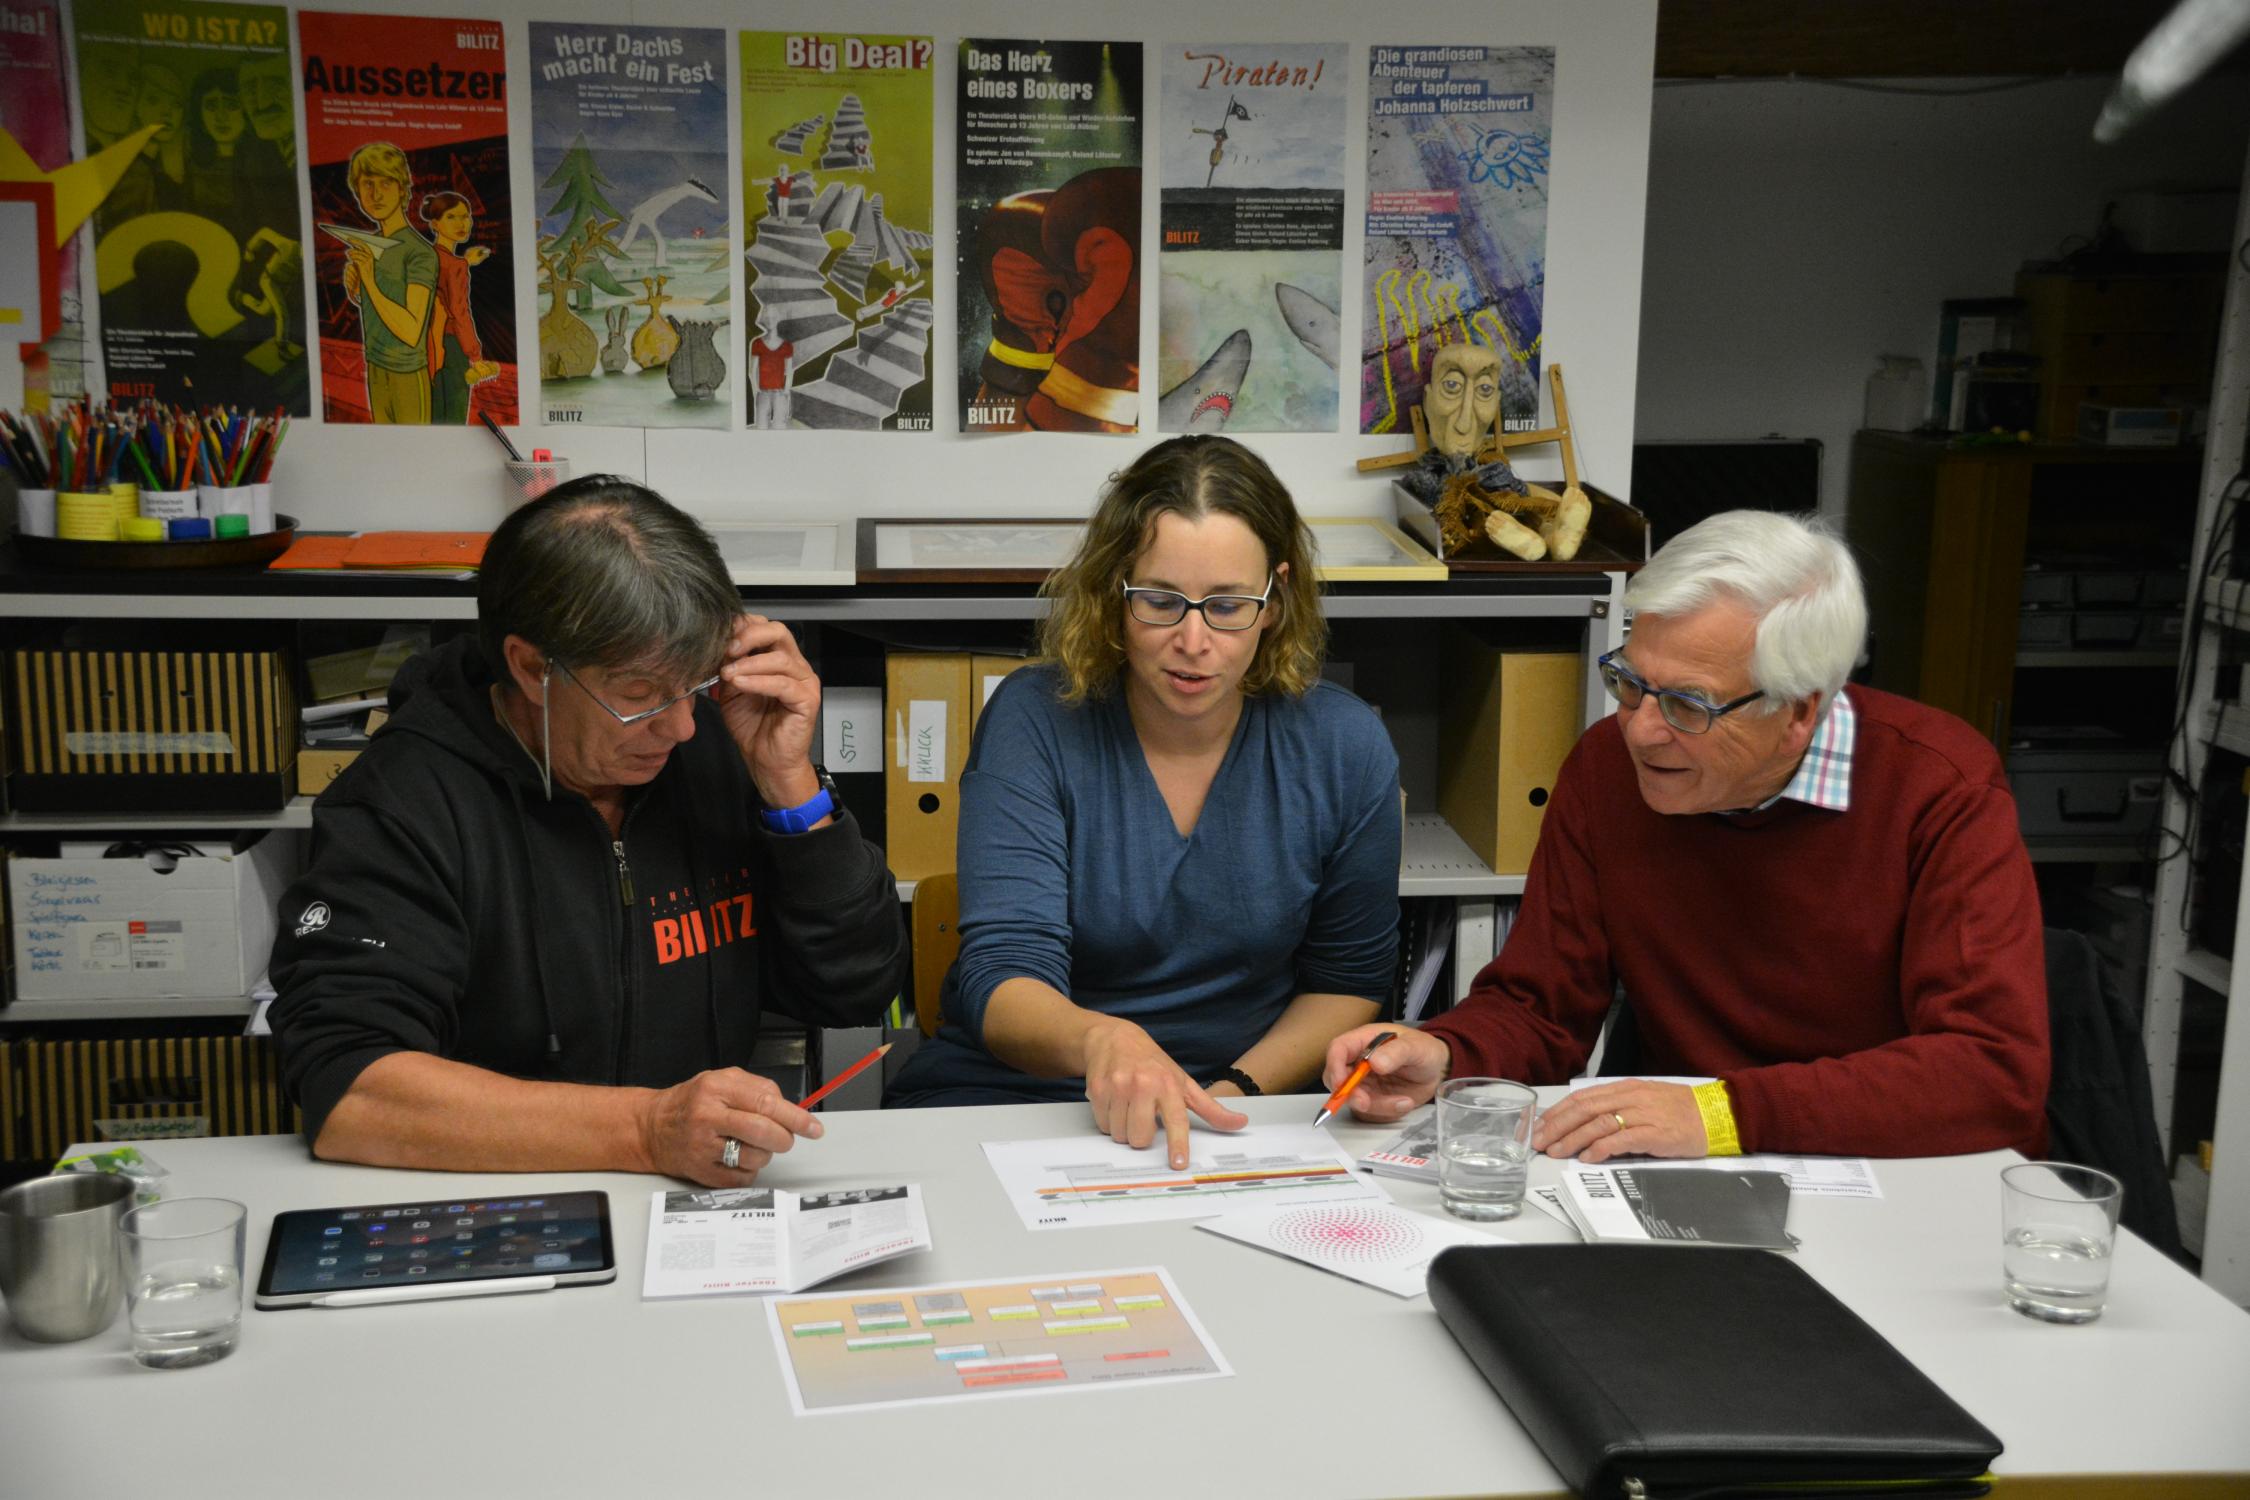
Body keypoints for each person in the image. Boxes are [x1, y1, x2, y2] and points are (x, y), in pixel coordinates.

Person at [1323, 510, 2049, 1161]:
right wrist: (1446, 1053)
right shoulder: (1609, 771)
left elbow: (1990, 1073)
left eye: (1688, 705)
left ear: (1799, 713)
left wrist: (1723, 1113)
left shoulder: (1939, 789)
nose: (1639, 731)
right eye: (1631, 683)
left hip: (1891, 1171)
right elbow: (1541, 1006)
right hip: (1690, 1170)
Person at [269, 477, 909, 1188]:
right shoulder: (406, 801)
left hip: (690, 1202)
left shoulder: (717, 752)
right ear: (532, 666)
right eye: (640, 696)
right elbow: (353, 1092)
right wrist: (643, 1131)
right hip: (488, 1196)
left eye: (694, 685)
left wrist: (790, 786)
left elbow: (855, 988)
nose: (681, 727)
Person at [886, 435, 1403, 1169]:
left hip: (1241, 1108)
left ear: (1276, 599)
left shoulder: (1345, 746)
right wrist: (1104, 1041)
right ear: (1112, 590)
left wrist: (1235, 1089)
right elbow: (1003, 975)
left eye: (1228, 607)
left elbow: (1348, 984)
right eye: (1160, 602)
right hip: (1026, 1097)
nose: (1193, 640)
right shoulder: (1036, 720)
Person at [339, 142, 436, 424]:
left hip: (406, 373)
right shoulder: (371, 246)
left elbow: (409, 330)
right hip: (375, 365)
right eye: (367, 184)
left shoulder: (418, 252)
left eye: (386, 182)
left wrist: (368, 280)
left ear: (402, 188)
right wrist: (357, 292)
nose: (376, 194)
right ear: (357, 192)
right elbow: (384, 308)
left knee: (415, 458)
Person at [418, 191, 499, 425]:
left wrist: (465, 262)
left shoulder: (428, 257)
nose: (462, 223)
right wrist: (475, 355)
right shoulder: (454, 266)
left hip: (427, 344)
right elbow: (460, 312)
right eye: (452, 217)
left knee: (434, 410)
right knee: (453, 414)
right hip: (452, 347)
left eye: (466, 217)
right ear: (435, 224)